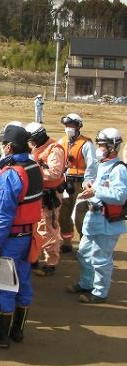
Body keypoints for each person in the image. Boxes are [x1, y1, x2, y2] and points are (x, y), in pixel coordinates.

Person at [0, 124, 43, 348]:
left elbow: (4, 215)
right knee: (24, 283)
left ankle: (1, 336)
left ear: (8, 146)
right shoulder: (34, 167)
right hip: (29, 236)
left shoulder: (10, 175)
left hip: (11, 238)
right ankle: (18, 332)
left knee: (4, 285)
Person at [68, 128, 127, 304]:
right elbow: (97, 185)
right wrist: (89, 185)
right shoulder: (102, 165)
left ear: (112, 147)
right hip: (93, 217)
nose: (98, 148)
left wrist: (96, 190)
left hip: (107, 221)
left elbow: (119, 195)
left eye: (102, 145)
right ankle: (86, 283)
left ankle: (100, 292)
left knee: (101, 259)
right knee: (84, 253)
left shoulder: (119, 169)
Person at [25, 122, 65, 276]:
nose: (30, 143)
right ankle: (36, 256)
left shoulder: (55, 149)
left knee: (50, 227)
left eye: (32, 139)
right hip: (38, 193)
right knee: (37, 226)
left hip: (51, 195)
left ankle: (51, 262)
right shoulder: (36, 148)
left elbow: (55, 173)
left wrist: (34, 172)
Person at [58, 114, 97, 253]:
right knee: (63, 214)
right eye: (67, 126)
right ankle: (67, 242)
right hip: (65, 183)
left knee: (81, 216)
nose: (69, 129)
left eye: (72, 126)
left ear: (79, 127)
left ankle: (84, 246)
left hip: (81, 184)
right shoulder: (61, 142)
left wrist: (88, 181)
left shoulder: (86, 144)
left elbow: (92, 165)